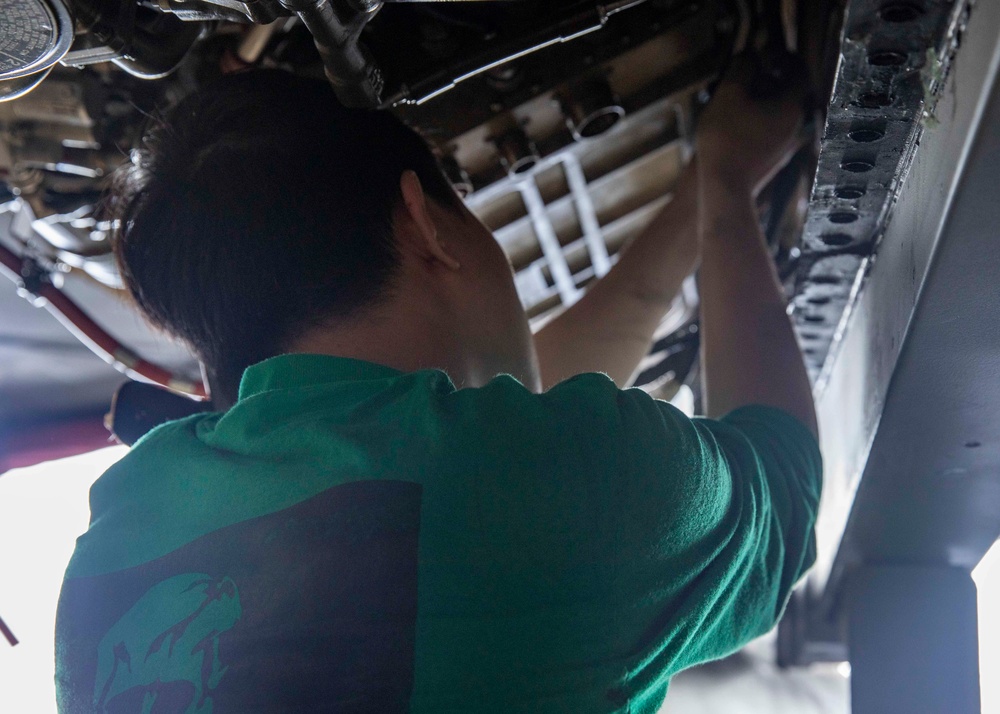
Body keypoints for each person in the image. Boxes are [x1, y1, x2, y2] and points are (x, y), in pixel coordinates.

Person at [55, 62, 820, 713]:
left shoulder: (116, 543)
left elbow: (481, 458)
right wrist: (726, 186)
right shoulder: (558, 488)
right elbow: (783, 486)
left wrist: (698, 199)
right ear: (424, 222)